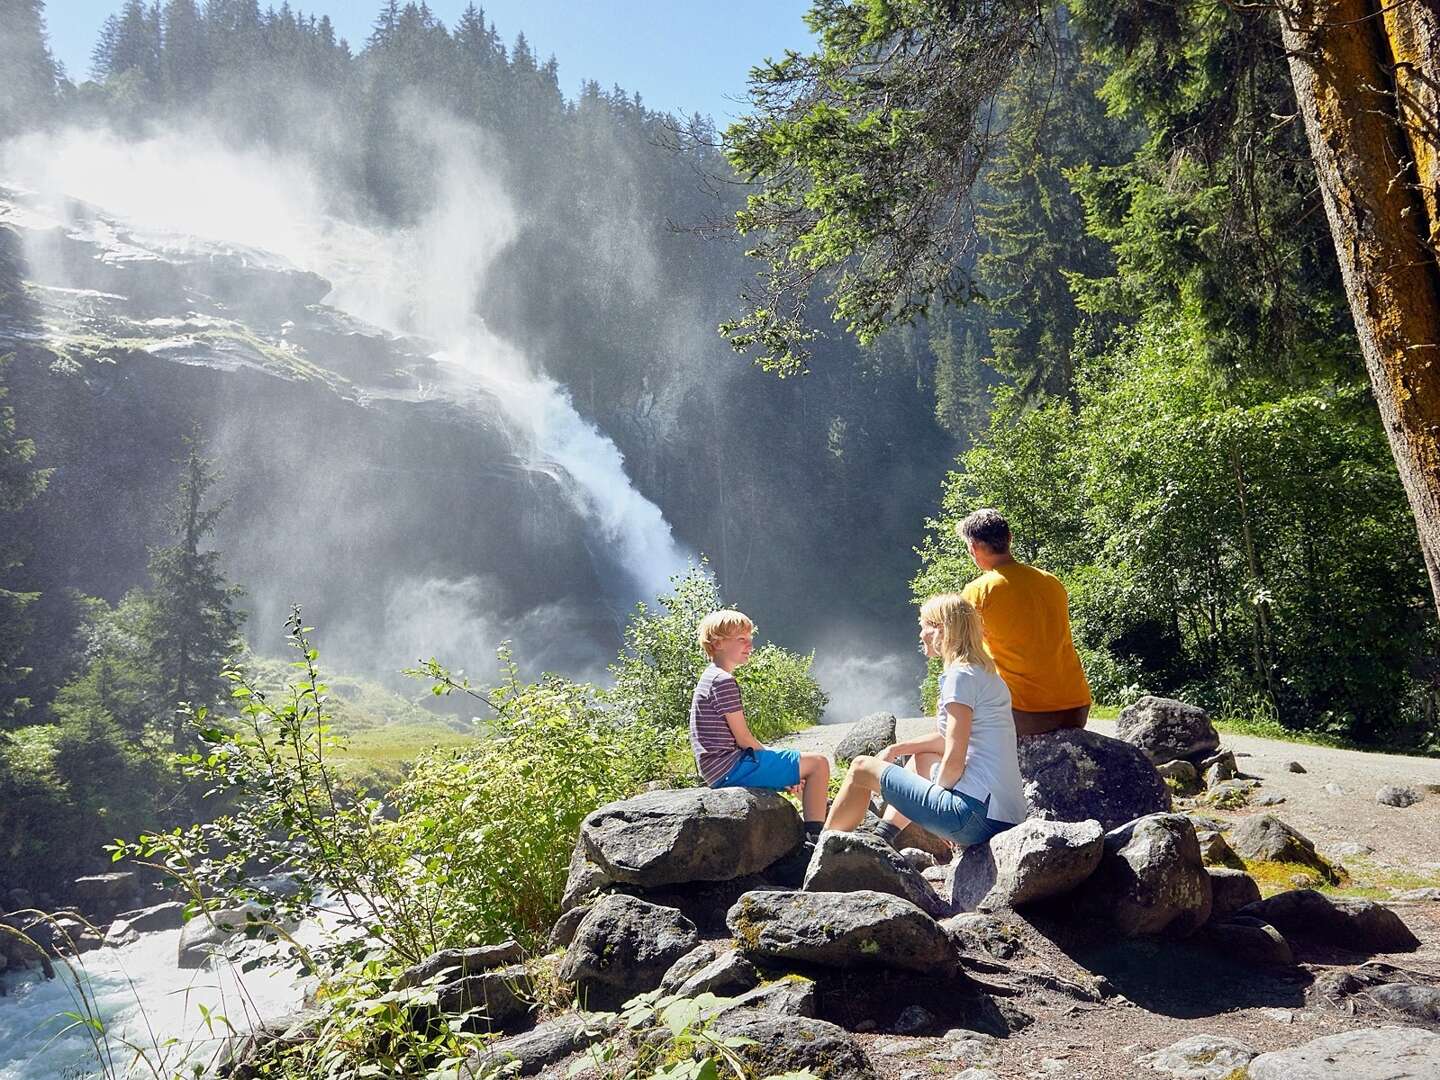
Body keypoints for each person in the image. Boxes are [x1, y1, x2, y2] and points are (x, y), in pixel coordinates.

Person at [823, 593, 1026, 846]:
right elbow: (949, 739)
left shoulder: (960, 677)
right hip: (1004, 815)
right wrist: (898, 748)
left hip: (974, 815)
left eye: (924, 626)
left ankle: (825, 847)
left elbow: (954, 758)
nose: (920, 634)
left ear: (942, 630)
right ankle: (882, 839)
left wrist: (937, 801)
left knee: (861, 767)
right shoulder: (985, 675)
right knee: (922, 758)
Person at [689, 609, 831, 839]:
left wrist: (783, 766)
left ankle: (811, 819)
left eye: (750, 639)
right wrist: (778, 757)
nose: (749, 646)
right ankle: (815, 839)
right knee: (818, 764)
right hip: (729, 768)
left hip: (717, 768)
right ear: (717, 643)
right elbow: (743, 739)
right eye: (741, 639)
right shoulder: (723, 681)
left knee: (799, 768)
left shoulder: (710, 676)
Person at [957, 508, 1092, 736]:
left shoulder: (979, 590)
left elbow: (962, 649)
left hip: (1027, 713)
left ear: (974, 547)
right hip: (1077, 708)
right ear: (1010, 538)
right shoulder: (1051, 581)